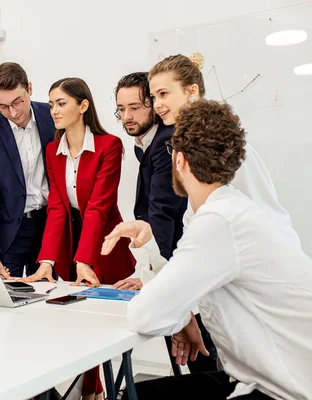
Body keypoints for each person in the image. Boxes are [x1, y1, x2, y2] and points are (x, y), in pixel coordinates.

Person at [102, 99, 312, 400]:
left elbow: (145, 315)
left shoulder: (219, 221)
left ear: (180, 160)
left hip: (283, 390)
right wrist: (149, 244)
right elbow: (180, 284)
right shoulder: (229, 210)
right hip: (265, 378)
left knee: (133, 397)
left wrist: (181, 314)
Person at [22, 77, 136, 400]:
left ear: (83, 106)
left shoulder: (109, 146)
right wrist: (46, 260)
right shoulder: (52, 151)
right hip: (73, 244)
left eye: (62, 103)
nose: (53, 110)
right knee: (77, 325)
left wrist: (85, 259)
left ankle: (93, 392)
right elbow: (57, 206)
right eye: (52, 103)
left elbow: (99, 206)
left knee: (97, 326)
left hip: (102, 244)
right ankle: (90, 391)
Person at [148, 54, 300, 246]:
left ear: (191, 91)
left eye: (163, 94)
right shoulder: (187, 141)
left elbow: (259, 208)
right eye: (153, 97)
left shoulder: (219, 142)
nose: (157, 104)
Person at [0, 62, 55, 279]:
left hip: (49, 224)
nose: (13, 112)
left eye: (18, 102)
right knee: (8, 298)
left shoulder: (52, 115)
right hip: (9, 232)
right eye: (3, 106)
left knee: (50, 293)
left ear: (30, 88)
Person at [113, 72, 187, 290]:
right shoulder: (145, 142)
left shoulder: (165, 142)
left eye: (135, 108)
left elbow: (162, 209)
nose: (127, 116)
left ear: (154, 105)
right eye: (121, 108)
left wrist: (151, 276)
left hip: (175, 258)